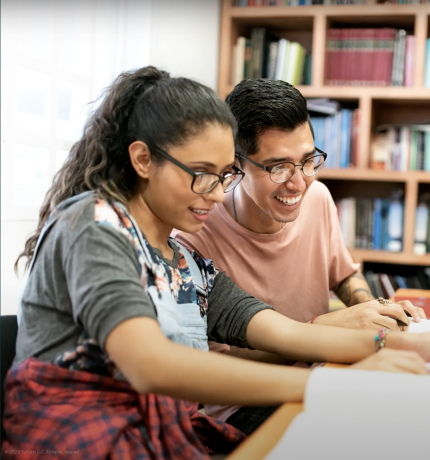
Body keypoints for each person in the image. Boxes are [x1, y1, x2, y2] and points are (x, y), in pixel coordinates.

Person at [3, 67, 429, 459]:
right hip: (77, 441)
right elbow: (150, 365)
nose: (219, 193)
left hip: (156, 438)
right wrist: (327, 386)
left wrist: (397, 344)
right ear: (143, 160)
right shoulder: (94, 225)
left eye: (225, 175)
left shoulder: (188, 263)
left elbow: (292, 335)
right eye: (202, 172)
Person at [174, 78, 428, 431]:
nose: (299, 183)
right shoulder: (193, 239)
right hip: (247, 399)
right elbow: (221, 368)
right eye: (278, 167)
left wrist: (378, 312)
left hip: (323, 367)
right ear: (235, 164)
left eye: (308, 160)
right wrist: (317, 334)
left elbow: (343, 275)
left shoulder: (318, 197)